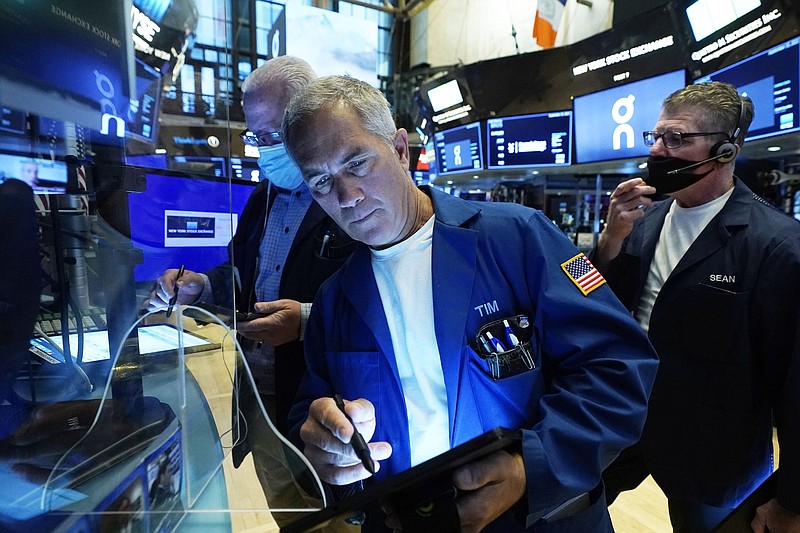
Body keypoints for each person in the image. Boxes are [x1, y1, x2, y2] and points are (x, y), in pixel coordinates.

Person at [281, 74, 659, 532]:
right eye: (321, 182)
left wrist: (530, 466)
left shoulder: (522, 236)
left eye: (357, 163)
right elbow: (311, 411)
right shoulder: (334, 299)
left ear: (401, 150)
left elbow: (618, 364)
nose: (347, 197)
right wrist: (323, 445)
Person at [143, 56, 356, 520]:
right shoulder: (262, 198)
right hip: (259, 403)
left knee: (332, 518)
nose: (261, 148)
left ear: (307, 119)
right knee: (286, 514)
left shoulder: (350, 196)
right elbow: (245, 277)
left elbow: (377, 301)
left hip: (324, 404)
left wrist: (302, 321)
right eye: (253, 135)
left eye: (271, 135)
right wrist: (202, 286)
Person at [592, 81, 800, 532]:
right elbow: (597, 304)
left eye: (678, 138)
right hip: (627, 420)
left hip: (715, 452)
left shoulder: (777, 246)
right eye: (656, 137)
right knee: (569, 508)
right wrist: (609, 240)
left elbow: (797, 385)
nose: (660, 150)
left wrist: (792, 503)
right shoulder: (642, 222)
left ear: (726, 150)